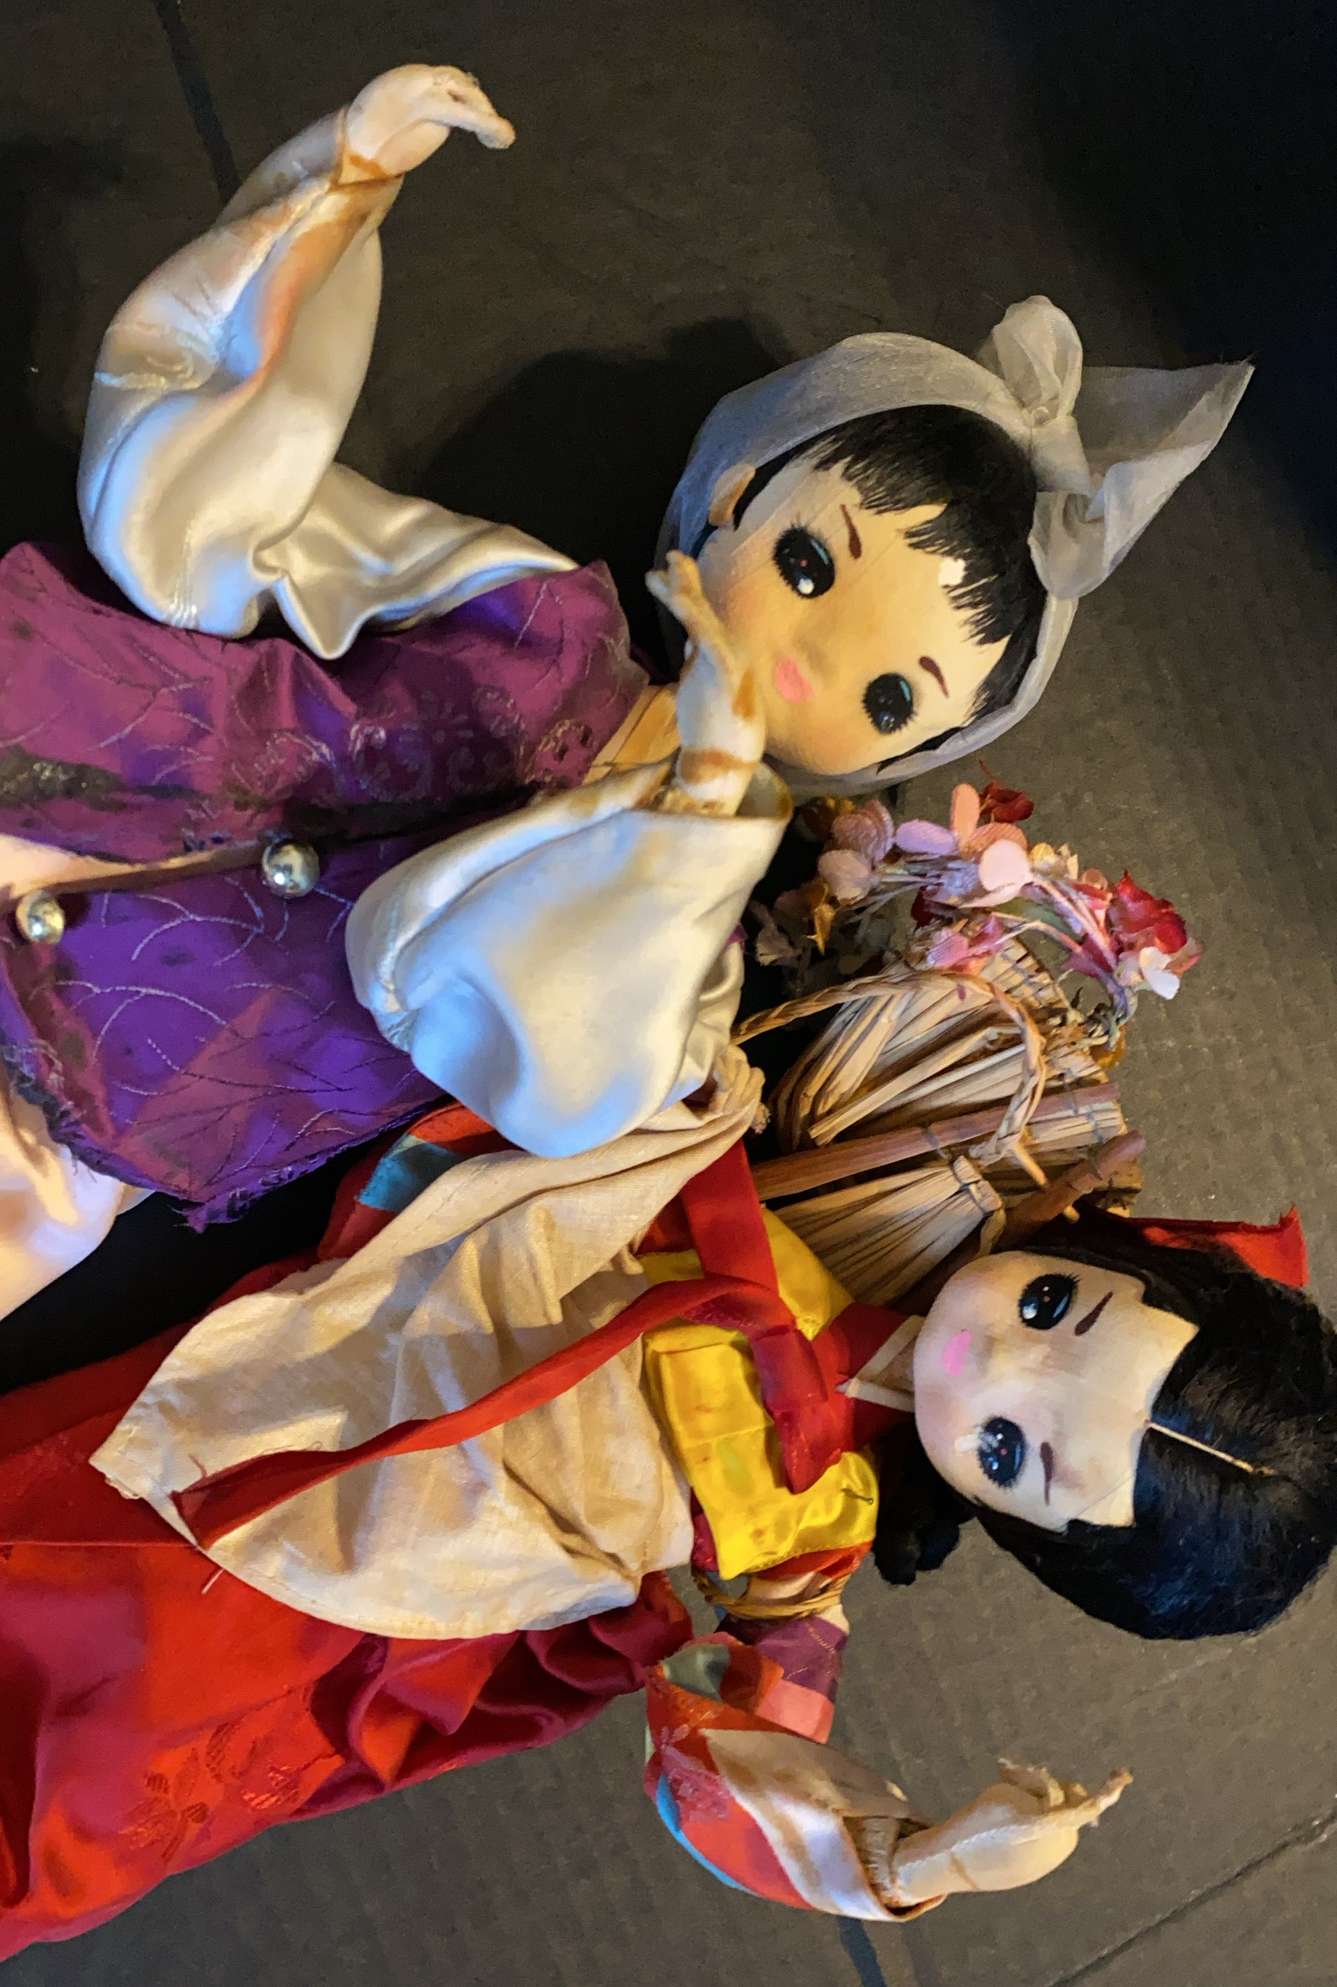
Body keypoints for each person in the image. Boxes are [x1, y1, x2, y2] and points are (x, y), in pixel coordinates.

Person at [0, 64, 1249, 1308]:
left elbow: (553, 1075)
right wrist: (339, 195)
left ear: (899, 754)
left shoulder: (696, 934)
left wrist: (695, 821)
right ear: (730, 493)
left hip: (137, 1079)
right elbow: (253, 527)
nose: (809, 660)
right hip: (73, 767)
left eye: (887, 700)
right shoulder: (538, 605)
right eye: (806, 563)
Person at [2, 1073, 1332, 1955]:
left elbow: (740, 1752)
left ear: (1027, 1532)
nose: (983, 1362)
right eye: (1050, 1308)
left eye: (1007, 1447)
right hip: (378, 1360)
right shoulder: (770, 1194)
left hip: (420, 1578)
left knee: (102, 1757)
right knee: (75, 1501)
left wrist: (917, 1857)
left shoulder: (819, 1530)